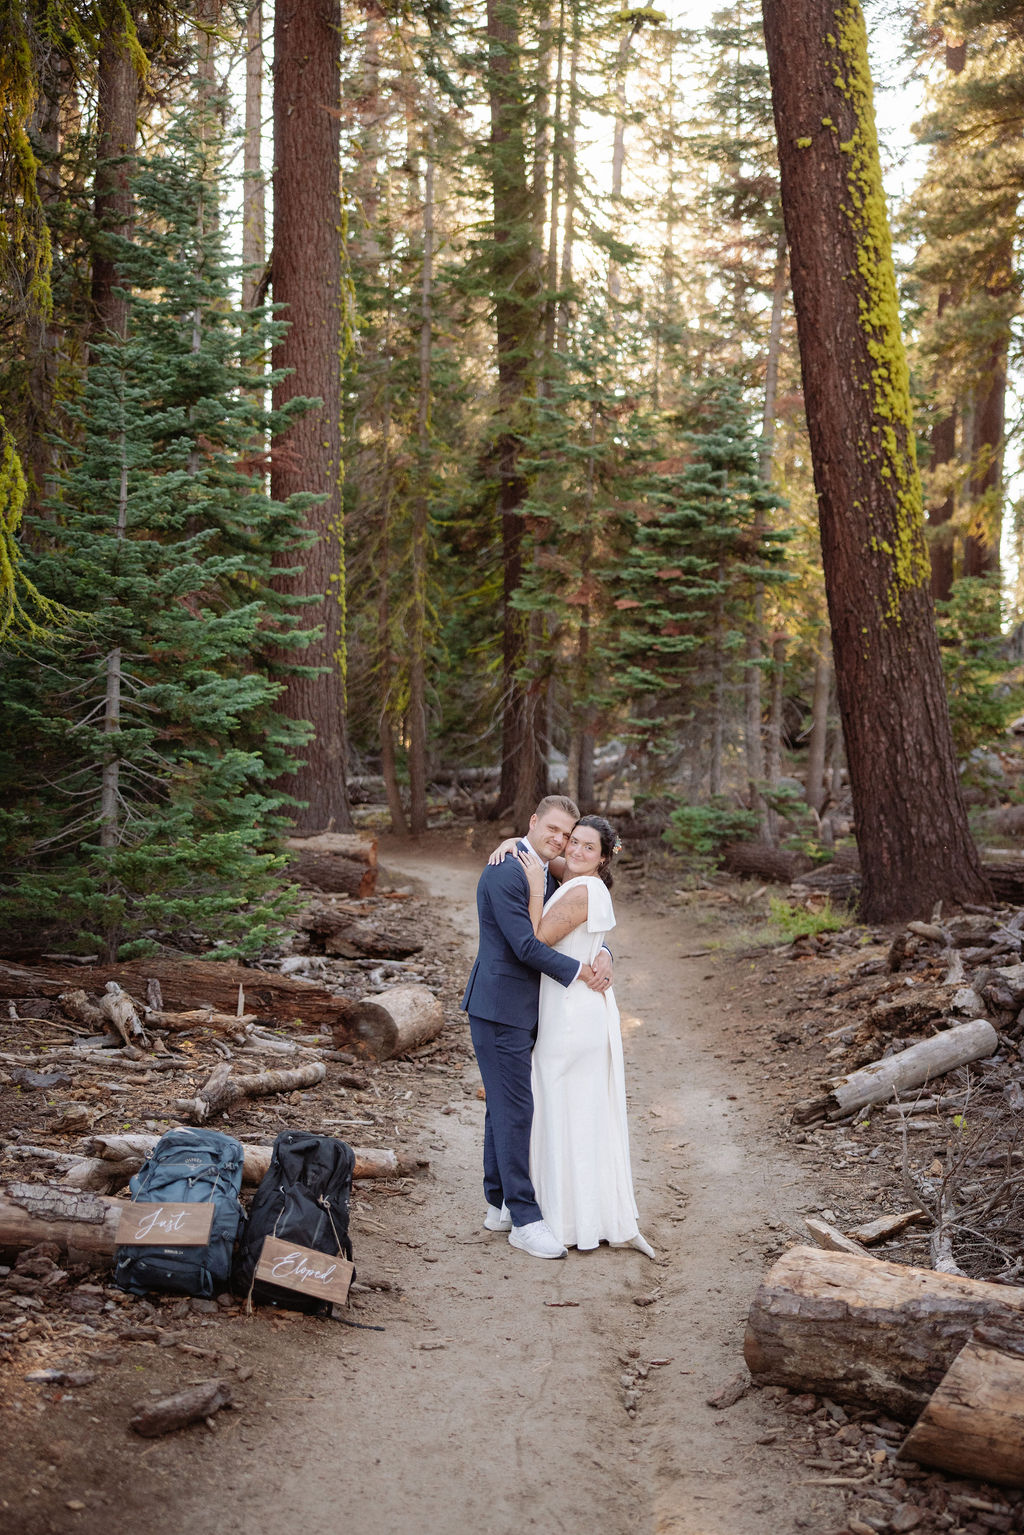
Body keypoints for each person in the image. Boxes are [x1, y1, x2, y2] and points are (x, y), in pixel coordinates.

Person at [462, 795, 613, 1260]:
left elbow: (580, 920)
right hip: (500, 1009)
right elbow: (527, 947)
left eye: (566, 835)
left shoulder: (548, 871)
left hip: (527, 1012)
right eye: (551, 829)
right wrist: (580, 973)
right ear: (533, 822)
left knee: (503, 1108)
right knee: (516, 1111)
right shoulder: (508, 870)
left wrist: (605, 953)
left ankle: (499, 1202)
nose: (559, 840)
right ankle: (527, 1221)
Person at [515, 815, 654, 1258]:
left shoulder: (581, 890)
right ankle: (584, 1214)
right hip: (577, 1007)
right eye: (573, 841)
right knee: (577, 1112)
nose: (574, 850)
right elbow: (550, 859)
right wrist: (515, 844)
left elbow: (536, 939)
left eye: (587, 847)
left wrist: (535, 884)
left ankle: (564, 1221)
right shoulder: (584, 881)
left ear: (603, 856)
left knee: (561, 1110)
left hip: (572, 1014)